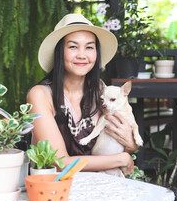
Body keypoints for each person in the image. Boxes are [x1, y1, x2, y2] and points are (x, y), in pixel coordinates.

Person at [27, 13, 139, 176]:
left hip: (100, 186)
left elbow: (126, 141)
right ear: (60, 52)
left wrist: (131, 144)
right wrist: (122, 159)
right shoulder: (40, 95)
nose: (82, 55)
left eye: (89, 47)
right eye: (73, 47)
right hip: (53, 191)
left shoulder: (102, 92)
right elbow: (60, 163)